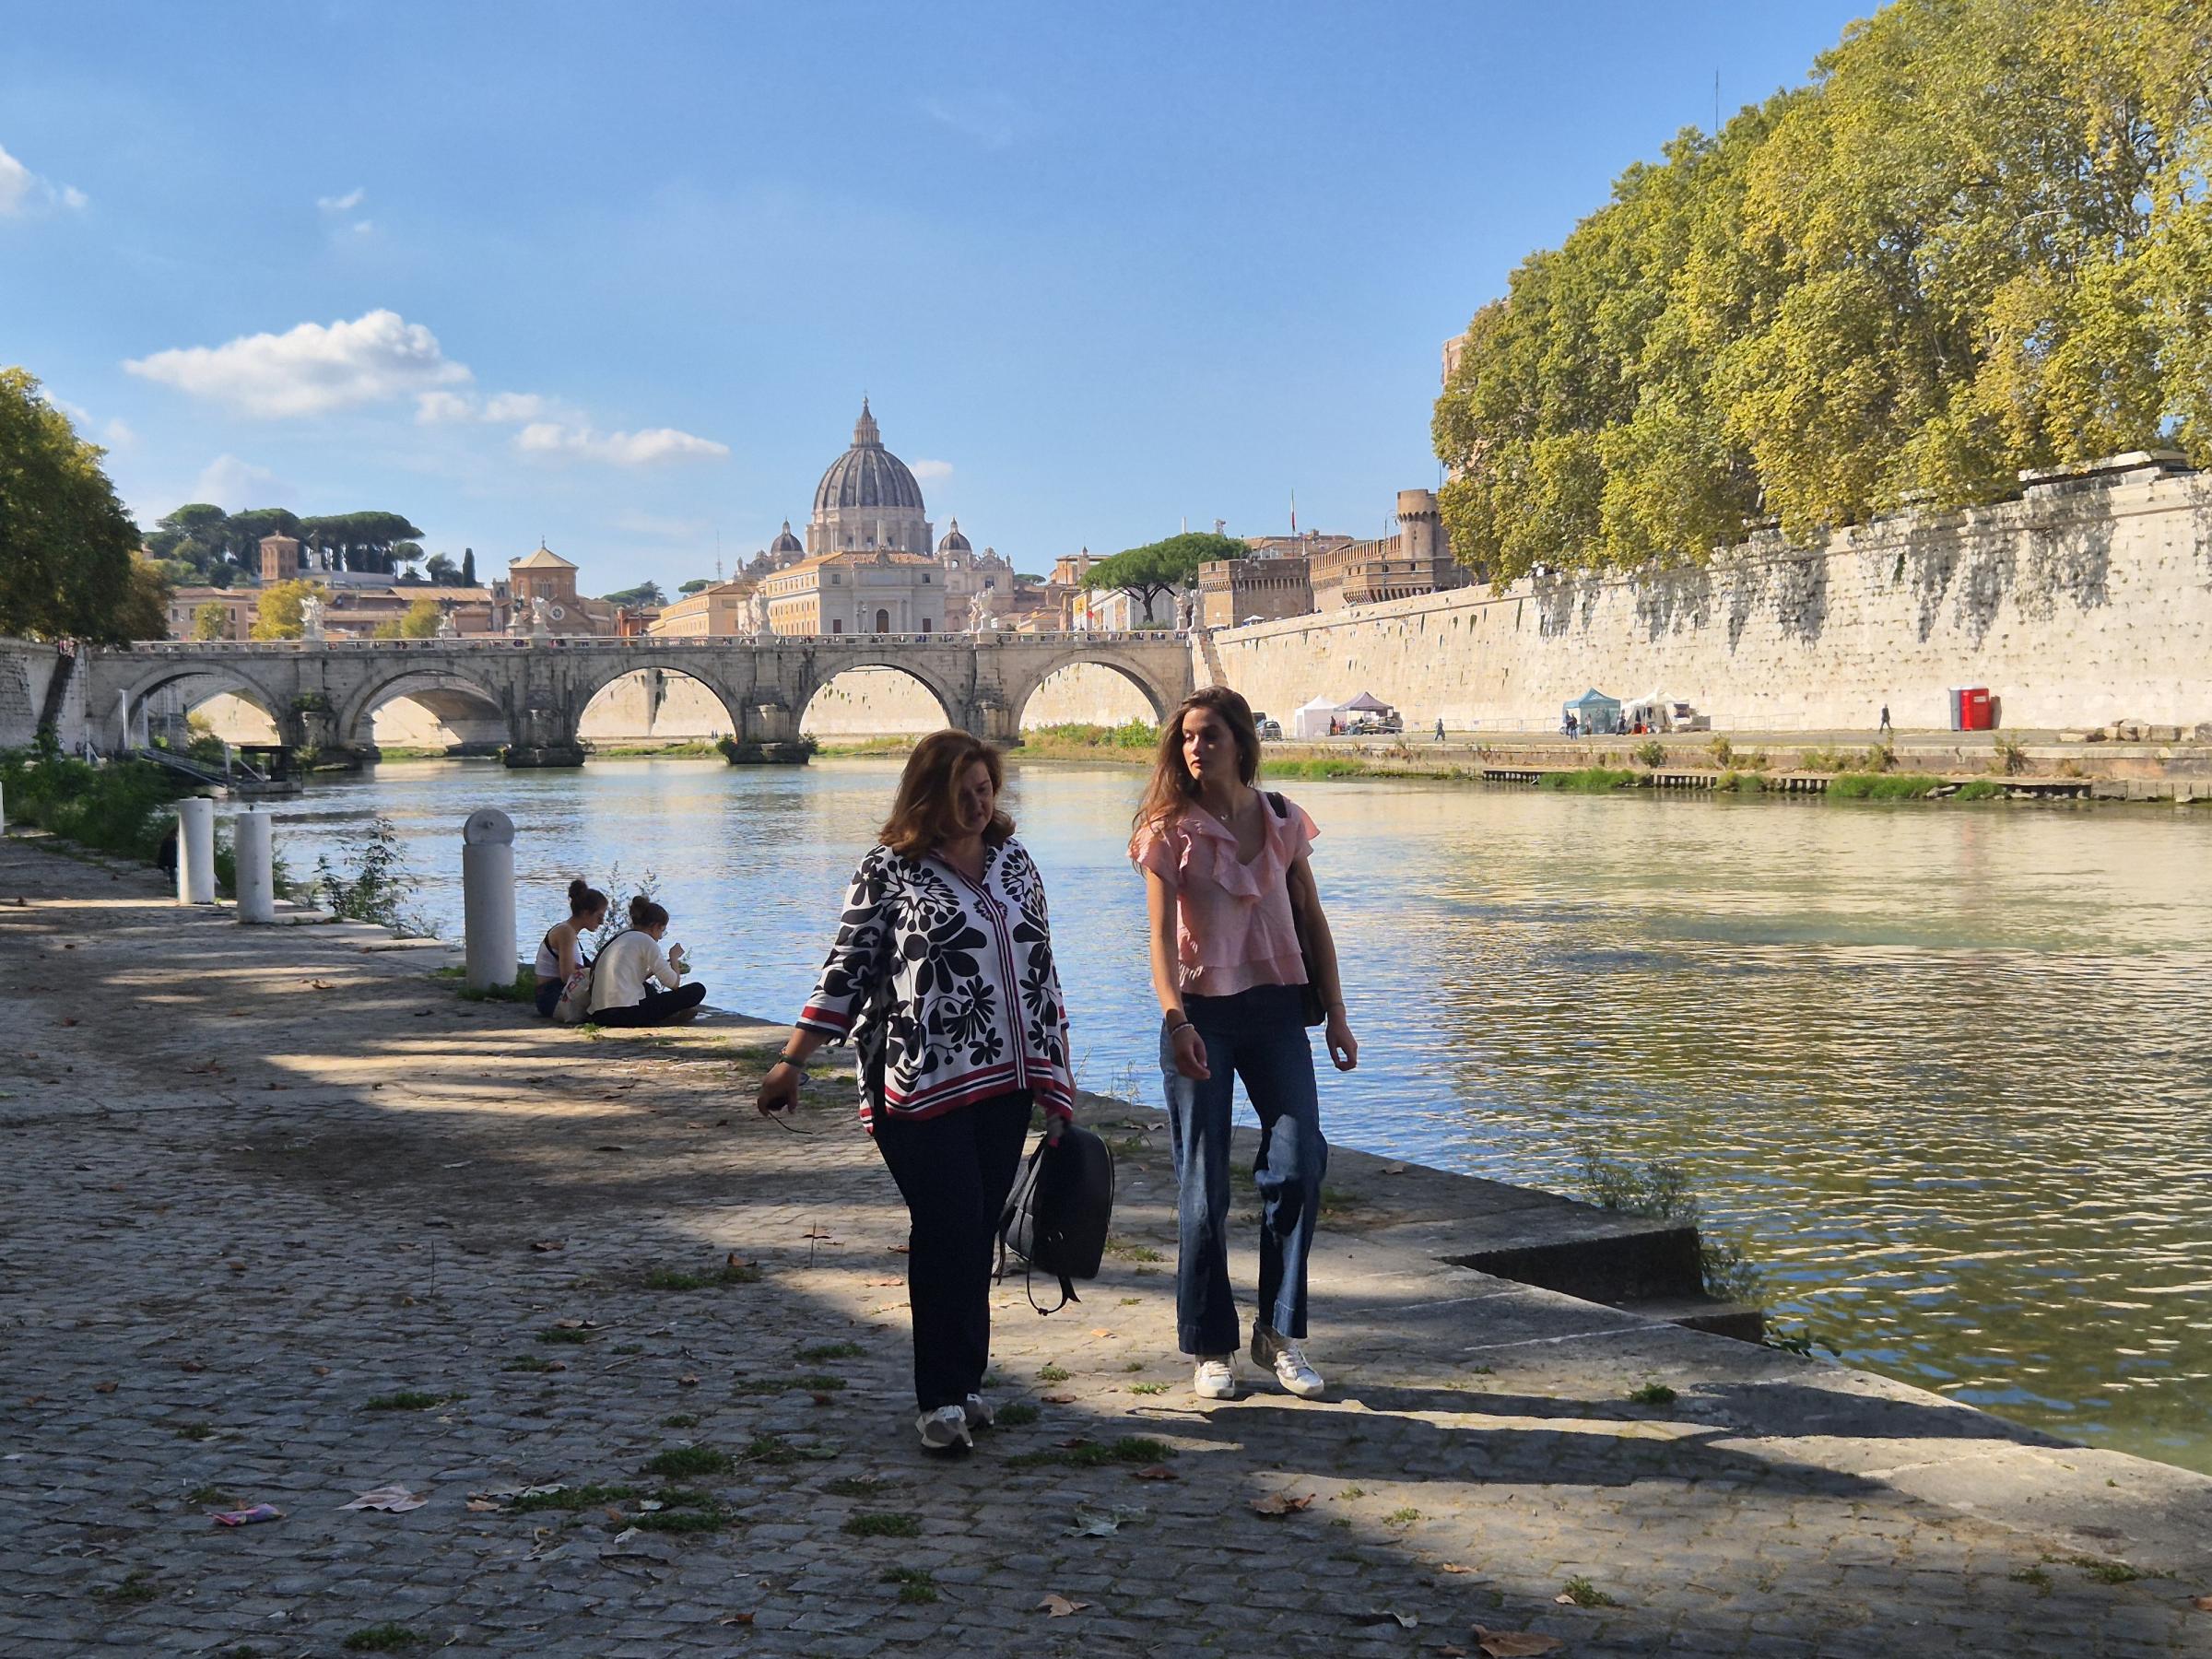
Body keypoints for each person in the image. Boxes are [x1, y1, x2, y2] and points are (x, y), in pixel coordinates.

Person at [758, 730, 1077, 1453]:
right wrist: (792, 1062)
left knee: (977, 1230)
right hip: (916, 1083)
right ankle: (937, 1399)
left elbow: (1041, 971)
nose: (977, 804)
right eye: (961, 793)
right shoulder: (889, 871)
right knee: (947, 1226)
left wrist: (1057, 1072)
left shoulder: (1016, 863)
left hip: (1006, 1080)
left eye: (984, 789)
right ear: (928, 797)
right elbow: (845, 969)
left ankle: (966, 1383)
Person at [1131, 686, 1356, 1405]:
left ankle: (1279, 1332)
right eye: (1187, 737)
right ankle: (1210, 1346)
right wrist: (1176, 1020)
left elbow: (1313, 920)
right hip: (1200, 1016)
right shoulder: (1167, 831)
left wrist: (1338, 1014)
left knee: (1299, 1163)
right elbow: (1159, 940)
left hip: (1278, 1012)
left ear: (1240, 743)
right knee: (1203, 1185)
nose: (1197, 748)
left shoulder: (1282, 818)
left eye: (1211, 736)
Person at [588, 896, 706, 1026]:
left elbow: (632, 980)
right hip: (623, 1013)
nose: (660, 937)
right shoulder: (646, 940)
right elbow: (674, 984)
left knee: (648, 988)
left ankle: (669, 1015)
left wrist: (654, 971)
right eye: (662, 931)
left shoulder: (622, 935)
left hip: (599, 1015)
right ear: (655, 927)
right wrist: (674, 957)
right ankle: (670, 1016)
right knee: (697, 990)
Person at [534, 879, 606, 1018]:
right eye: (599, 917)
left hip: (553, 994)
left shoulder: (569, 932)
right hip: (551, 997)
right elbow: (567, 976)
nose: (602, 922)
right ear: (585, 913)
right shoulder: (566, 933)